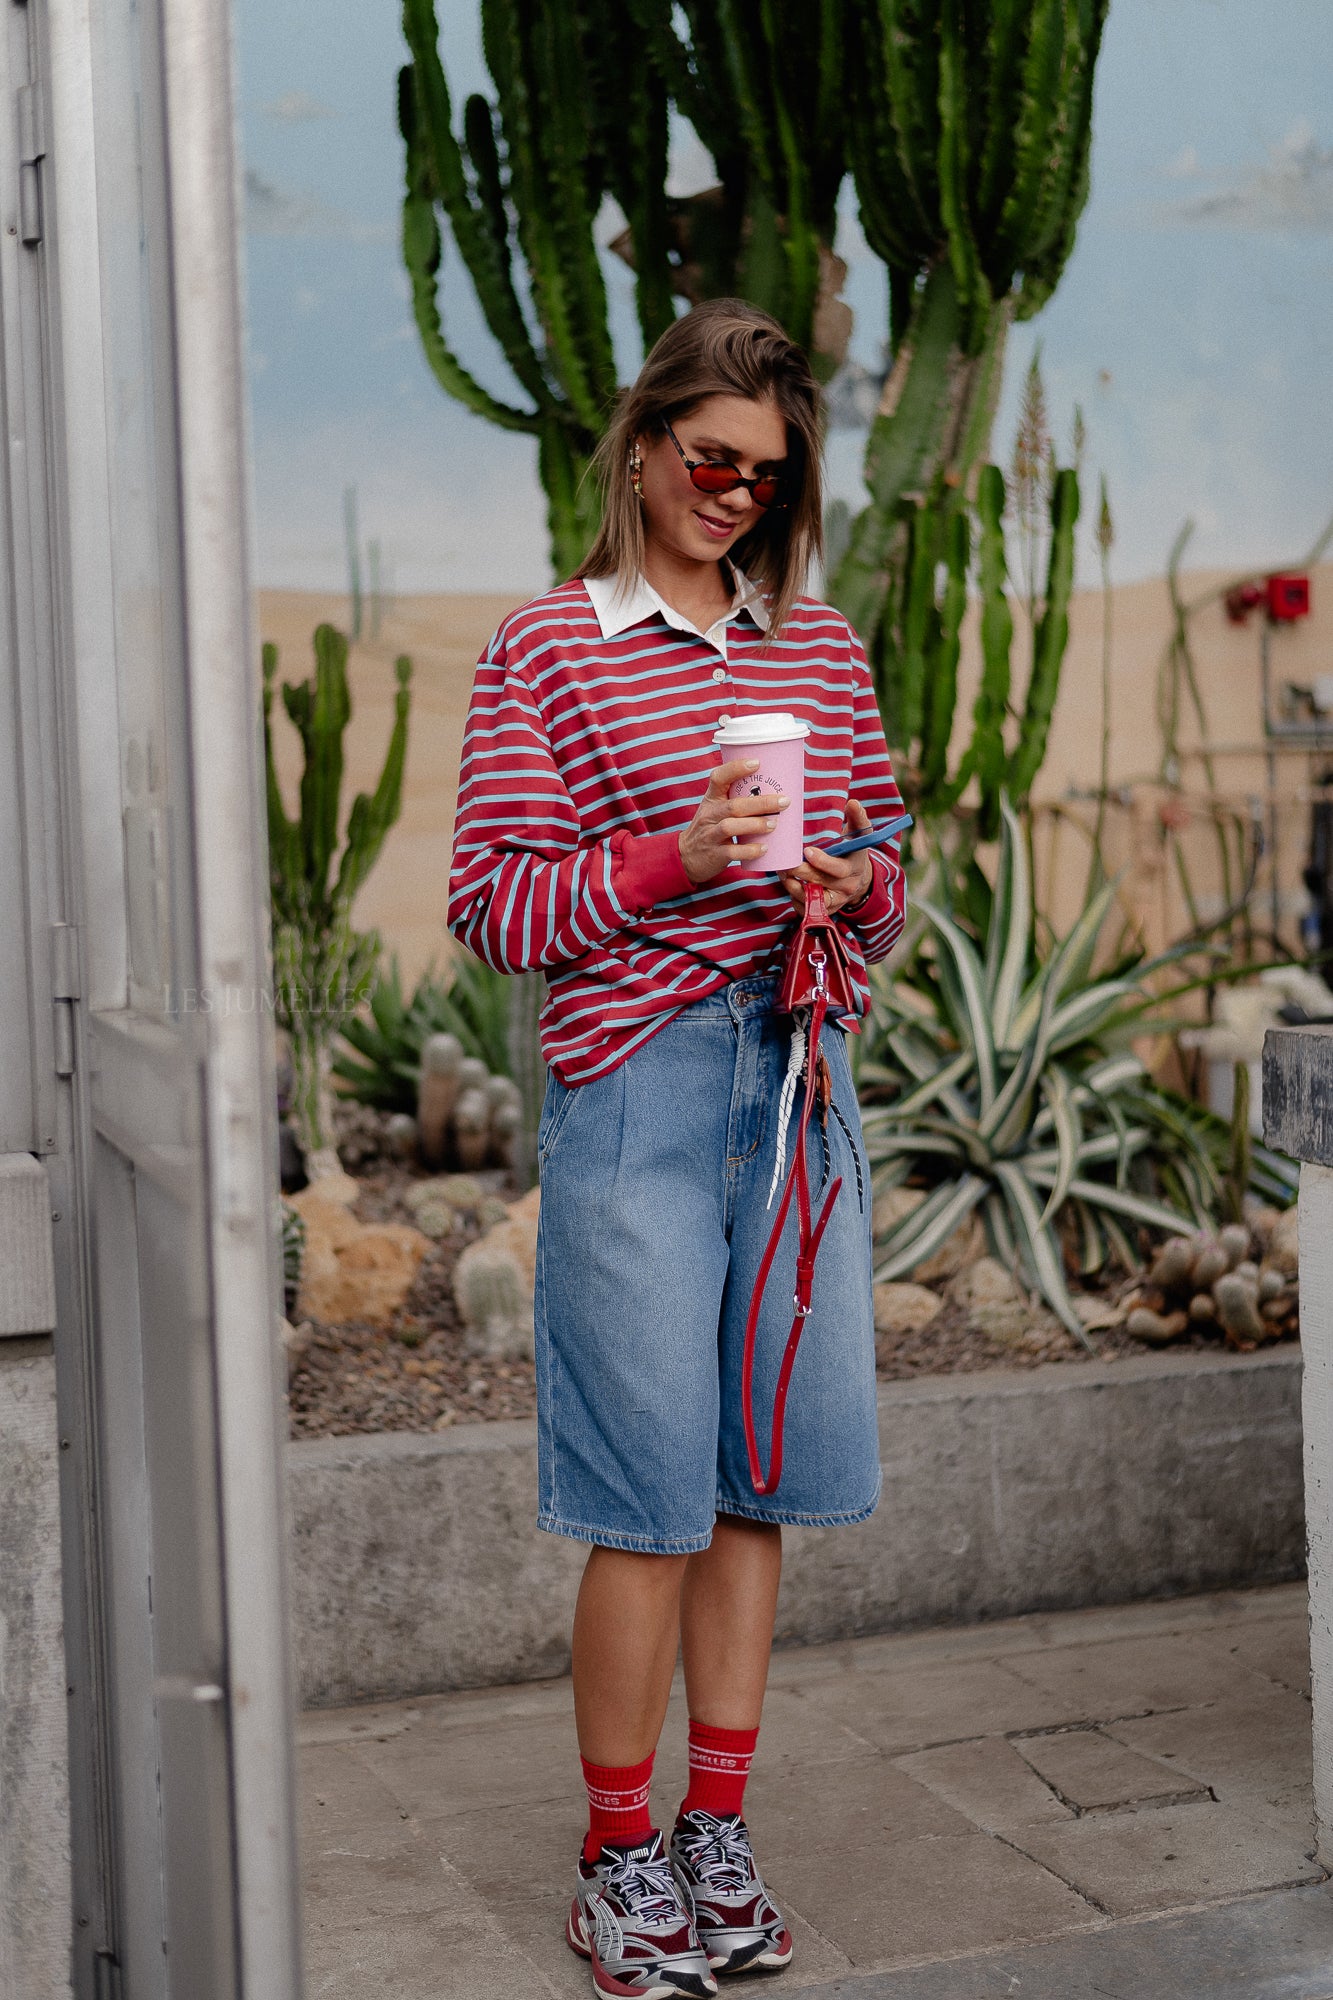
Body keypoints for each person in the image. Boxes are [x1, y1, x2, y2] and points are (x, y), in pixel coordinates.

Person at [448, 299, 906, 1999]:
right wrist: (668, 860)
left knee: (750, 1494)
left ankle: (717, 1834)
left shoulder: (823, 647)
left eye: (763, 477)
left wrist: (853, 885)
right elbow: (493, 907)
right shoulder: (546, 648)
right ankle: (615, 1860)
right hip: (636, 1089)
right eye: (707, 461)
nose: (730, 495)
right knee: (644, 1505)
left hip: (794, 1094)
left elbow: (880, 861)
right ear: (639, 445)